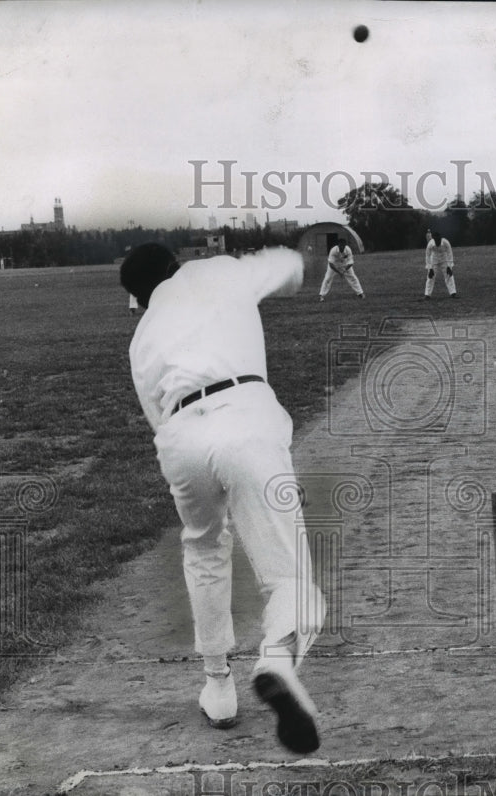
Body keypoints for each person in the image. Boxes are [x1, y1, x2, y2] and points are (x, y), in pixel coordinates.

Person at [120, 243, 326, 754]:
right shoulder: (218, 270)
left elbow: (157, 416)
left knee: (204, 548)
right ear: (174, 265)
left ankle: (218, 686)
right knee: (289, 576)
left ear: (142, 297)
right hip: (247, 415)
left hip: (180, 439)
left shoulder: (143, 334)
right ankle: (276, 660)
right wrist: (301, 259)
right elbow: (289, 267)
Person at [318, 237, 364, 301]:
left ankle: (360, 293)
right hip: (334, 265)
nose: (342, 247)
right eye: (340, 245)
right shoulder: (333, 250)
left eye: (343, 245)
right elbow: (331, 264)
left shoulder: (348, 250)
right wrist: (339, 272)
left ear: (345, 245)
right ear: (338, 245)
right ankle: (321, 295)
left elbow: (351, 263)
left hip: (345, 264)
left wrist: (344, 270)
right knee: (327, 278)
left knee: (353, 277)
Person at [423, 230, 457, 299]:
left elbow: (450, 253)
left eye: (439, 239)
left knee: (449, 275)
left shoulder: (446, 242)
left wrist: (449, 266)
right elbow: (427, 256)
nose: (437, 241)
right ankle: (427, 294)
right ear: (433, 239)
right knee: (430, 276)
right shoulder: (430, 244)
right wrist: (430, 268)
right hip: (434, 260)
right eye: (436, 240)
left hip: (444, 259)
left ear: (440, 238)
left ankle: (453, 293)